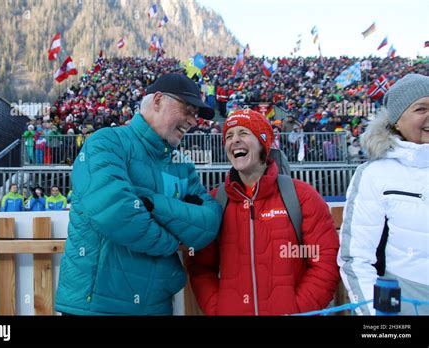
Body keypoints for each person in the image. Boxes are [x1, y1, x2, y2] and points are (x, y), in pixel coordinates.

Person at [55, 73, 222, 315]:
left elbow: (208, 223)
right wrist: (172, 241)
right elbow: (117, 214)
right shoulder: (106, 142)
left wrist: (152, 204)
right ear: (157, 100)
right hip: (96, 308)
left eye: (196, 114)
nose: (193, 120)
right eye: (188, 109)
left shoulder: (183, 166)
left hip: (155, 307)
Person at [187, 109, 340, 315]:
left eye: (243, 133)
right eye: (229, 136)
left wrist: (298, 309)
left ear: (262, 143)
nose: (235, 141)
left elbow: (325, 261)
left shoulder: (301, 196)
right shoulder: (216, 201)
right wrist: (219, 309)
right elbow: (201, 267)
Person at [338, 74, 429, 315]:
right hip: (404, 303)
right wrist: (376, 316)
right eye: (421, 108)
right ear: (397, 121)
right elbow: (356, 257)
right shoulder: (374, 175)